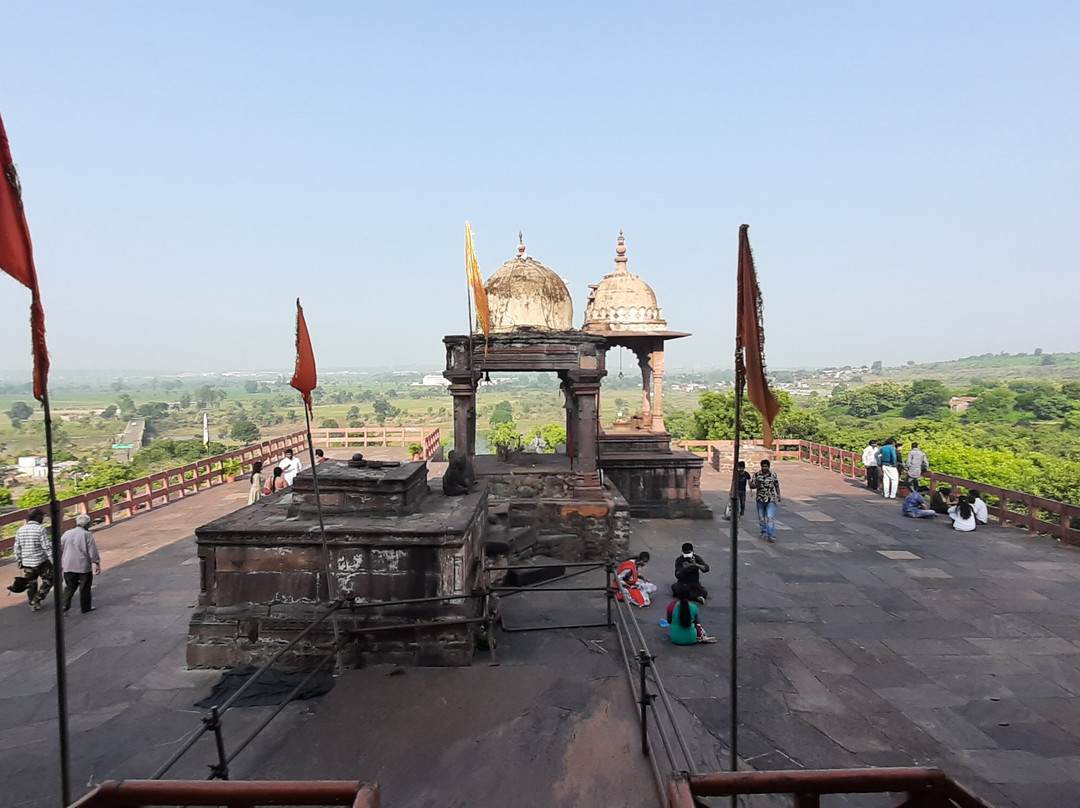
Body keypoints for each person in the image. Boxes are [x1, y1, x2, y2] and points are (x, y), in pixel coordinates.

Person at [60, 514, 101, 614]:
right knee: (85, 588)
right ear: (87, 524)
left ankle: (65, 605)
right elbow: (92, 551)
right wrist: (96, 562)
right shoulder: (87, 535)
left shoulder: (67, 533)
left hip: (68, 564)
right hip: (83, 565)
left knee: (70, 587)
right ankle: (85, 607)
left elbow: (60, 547)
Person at [13, 508, 53, 611]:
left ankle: (32, 603)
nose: (43, 519)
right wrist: (52, 558)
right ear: (37, 517)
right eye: (42, 517)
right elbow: (46, 546)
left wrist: (19, 559)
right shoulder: (40, 529)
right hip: (40, 561)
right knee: (49, 580)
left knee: (31, 583)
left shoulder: (20, 530)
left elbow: (17, 547)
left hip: (27, 562)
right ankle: (38, 598)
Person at [750, 459, 782, 542]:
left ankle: (771, 534)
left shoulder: (773, 475)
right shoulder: (757, 475)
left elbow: (776, 485)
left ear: (768, 467)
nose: (765, 468)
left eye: (766, 466)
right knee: (761, 517)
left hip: (770, 499)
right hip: (760, 498)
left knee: (770, 517)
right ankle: (764, 531)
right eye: (763, 466)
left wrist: (778, 495)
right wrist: (755, 484)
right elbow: (752, 485)